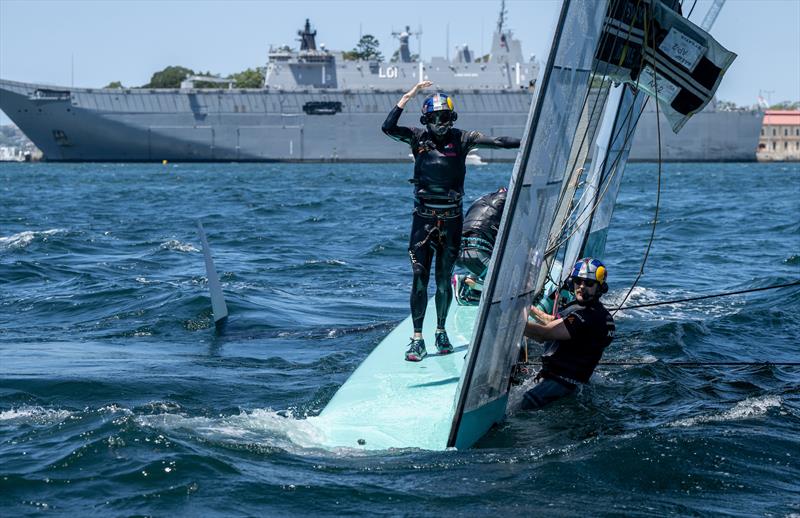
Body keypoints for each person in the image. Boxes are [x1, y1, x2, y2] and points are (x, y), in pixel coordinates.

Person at [382, 80, 521, 362]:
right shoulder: (416, 137)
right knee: (420, 278)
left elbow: (497, 142)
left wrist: (529, 142)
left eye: (445, 118)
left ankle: (441, 331)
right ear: (426, 119)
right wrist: (407, 96)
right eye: (434, 118)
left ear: (452, 118)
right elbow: (387, 128)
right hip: (423, 220)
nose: (440, 124)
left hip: (451, 219)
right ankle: (417, 338)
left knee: (443, 280)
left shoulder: (463, 138)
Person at [520, 257, 615, 409]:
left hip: (562, 383)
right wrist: (527, 307)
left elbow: (543, 334)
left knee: (521, 407)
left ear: (599, 288)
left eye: (589, 283)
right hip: (569, 382)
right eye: (578, 281)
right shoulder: (590, 311)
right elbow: (552, 321)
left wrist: (512, 323)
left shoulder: (586, 316)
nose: (582, 286)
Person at [452, 186, 507, 305]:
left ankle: (473, 286)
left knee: (486, 261)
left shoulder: (479, 201)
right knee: (507, 287)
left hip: (458, 252)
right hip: (476, 253)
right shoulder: (507, 201)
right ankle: (466, 283)